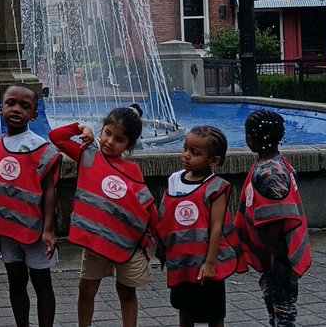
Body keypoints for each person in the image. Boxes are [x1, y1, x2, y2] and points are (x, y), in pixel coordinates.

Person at [49, 107, 157, 327]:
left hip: (127, 242)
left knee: (126, 291)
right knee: (86, 289)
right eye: (107, 132)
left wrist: (158, 236)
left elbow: (146, 206)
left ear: (129, 145)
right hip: (96, 241)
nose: (109, 141)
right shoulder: (88, 154)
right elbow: (56, 137)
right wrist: (81, 128)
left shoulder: (133, 169)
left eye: (119, 139)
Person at [0, 85, 61, 327]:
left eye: (25, 106)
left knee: (41, 283)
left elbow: (50, 192)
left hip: (35, 230)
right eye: (11, 103)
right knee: (16, 282)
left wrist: (48, 229)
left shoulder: (42, 148)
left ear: (34, 115)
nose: (16, 109)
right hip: (7, 231)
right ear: (1, 109)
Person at [157, 126, 239, 327]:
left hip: (205, 262)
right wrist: (161, 247)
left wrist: (210, 262)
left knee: (214, 313)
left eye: (195, 153)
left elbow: (217, 226)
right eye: (186, 148)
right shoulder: (175, 180)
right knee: (185, 308)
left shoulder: (216, 187)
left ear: (214, 161)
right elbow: (166, 217)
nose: (186, 155)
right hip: (182, 260)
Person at [237, 110, 312, 327]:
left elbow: (278, 218)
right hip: (278, 254)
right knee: (275, 305)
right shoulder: (277, 163)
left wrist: (267, 252)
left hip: (279, 255)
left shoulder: (270, 173)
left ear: (250, 139)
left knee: (283, 309)